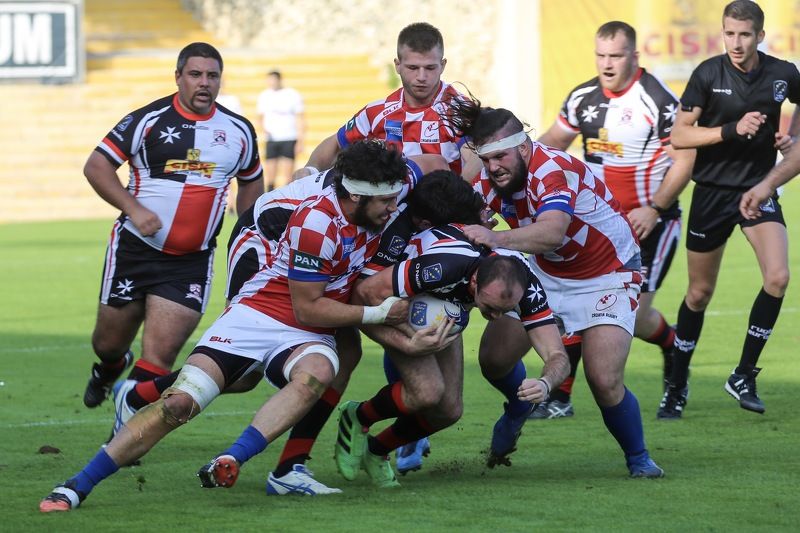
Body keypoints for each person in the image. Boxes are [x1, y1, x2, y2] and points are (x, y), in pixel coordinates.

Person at [39, 142, 420, 512]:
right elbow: (308, 310)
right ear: (356, 196)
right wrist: (379, 314)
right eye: (386, 201)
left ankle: (233, 458)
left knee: (318, 371)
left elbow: (428, 169)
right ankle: (77, 485)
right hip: (258, 315)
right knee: (179, 404)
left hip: (306, 334)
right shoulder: (317, 223)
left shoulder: (377, 203)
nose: (394, 207)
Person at [448, 95, 665, 477]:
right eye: (487, 159)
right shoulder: (488, 178)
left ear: (523, 146)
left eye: (500, 157)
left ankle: (639, 459)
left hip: (607, 273)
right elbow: (462, 216)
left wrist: (495, 238)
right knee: (494, 360)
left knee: (604, 379)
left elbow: (551, 232)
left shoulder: (552, 169)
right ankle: (520, 405)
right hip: (547, 270)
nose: (494, 167)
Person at [331, 171, 568, 487]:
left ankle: (377, 450)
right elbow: (365, 293)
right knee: (427, 392)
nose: (496, 317)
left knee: (449, 411)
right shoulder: (444, 265)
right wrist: (407, 340)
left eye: (504, 310)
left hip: (446, 309)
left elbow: (557, 355)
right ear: (474, 281)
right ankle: (358, 417)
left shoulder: (526, 286)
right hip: (401, 303)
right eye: (490, 307)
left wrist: (546, 383)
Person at [80, 42, 264, 415]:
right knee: (107, 344)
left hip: (190, 262)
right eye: (195, 74)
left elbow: (251, 181)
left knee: (159, 357)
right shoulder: (147, 120)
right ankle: (110, 367)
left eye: (212, 76)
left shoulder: (239, 130)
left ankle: (124, 433)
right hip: (134, 249)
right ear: (178, 77)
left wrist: (248, 235)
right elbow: (96, 166)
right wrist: (134, 209)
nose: (204, 83)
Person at [532, 21, 695, 418]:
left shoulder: (657, 100)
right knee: (572, 304)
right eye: (601, 55)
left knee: (633, 317)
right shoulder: (582, 97)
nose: (607, 64)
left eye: (616, 56)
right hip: (599, 227)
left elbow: (685, 160)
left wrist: (654, 208)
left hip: (650, 224)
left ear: (634, 56)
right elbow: (551, 144)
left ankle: (672, 347)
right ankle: (560, 398)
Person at [659, 0, 800, 418]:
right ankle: (676, 384)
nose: (736, 43)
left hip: (757, 190)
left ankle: (743, 374)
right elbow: (680, 136)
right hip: (712, 195)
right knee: (699, 294)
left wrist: (790, 138)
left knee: (778, 277)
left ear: (760, 36)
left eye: (744, 35)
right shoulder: (708, 74)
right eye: (729, 34)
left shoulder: (783, 74)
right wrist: (729, 130)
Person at [296, 22, 476, 179]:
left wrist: (459, 197)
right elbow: (336, 144)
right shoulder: (377, 111)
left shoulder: (460, 109)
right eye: (413, 67)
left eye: (430, 68)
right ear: (397, 65)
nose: (421, 77)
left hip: (442, 204)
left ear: (442, 66)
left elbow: (475, 160)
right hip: (390, 204)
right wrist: (310, 170)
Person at [257, 70, 305, 191]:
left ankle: (287, 198)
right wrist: (264, 130)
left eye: (273, 80)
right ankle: (269, 197)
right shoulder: (264, 96)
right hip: (272, 139)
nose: (271, 83)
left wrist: (300, 141)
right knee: (270, 176)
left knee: (287, 176)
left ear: (279, 80)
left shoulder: (292, 95)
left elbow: (300, 118)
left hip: (289, 137)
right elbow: (260, 117)